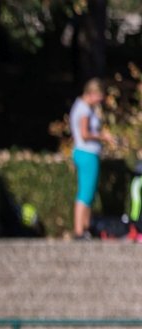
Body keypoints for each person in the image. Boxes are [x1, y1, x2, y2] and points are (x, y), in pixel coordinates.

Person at [69, 79, 116, 240]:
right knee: (85, 193)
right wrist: (104, 137)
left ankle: (85, 228)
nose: (101, 99)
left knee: (88, 192)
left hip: (83, 153)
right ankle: (79, 230)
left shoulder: (82, 106)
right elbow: (85, 134)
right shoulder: (84, 110)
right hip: (87, 153)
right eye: (99, 95)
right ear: (91, 93)